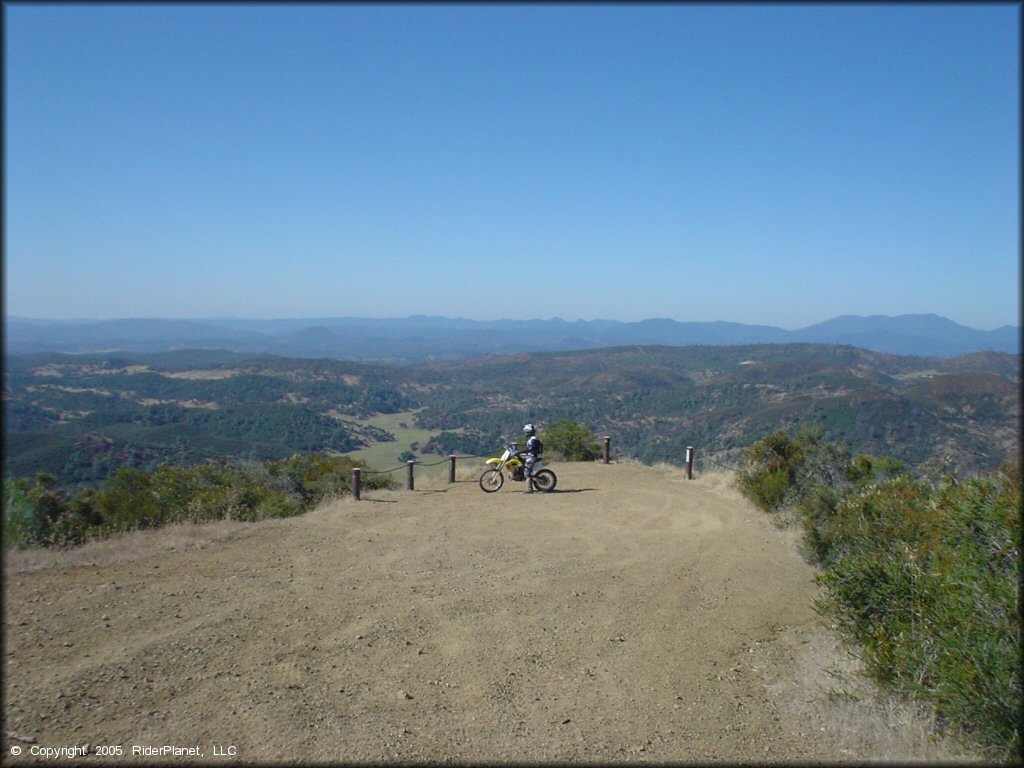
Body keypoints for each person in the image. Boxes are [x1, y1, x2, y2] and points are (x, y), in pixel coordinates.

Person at [520, 423, 543, 493]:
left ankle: (530, 489)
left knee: (527, 471)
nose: (525, 433)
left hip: (531, 457)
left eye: (525, 432)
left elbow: (530, 449)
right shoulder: (531, 439)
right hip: (529, 455)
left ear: (528, 432)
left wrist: (520, 451)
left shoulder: (533, 439)